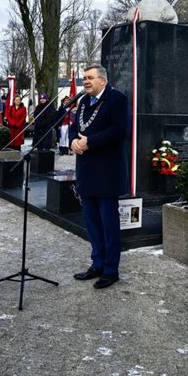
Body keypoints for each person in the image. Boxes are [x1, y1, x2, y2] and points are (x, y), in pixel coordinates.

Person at [70, 64, 129, 289]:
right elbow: (76, 126)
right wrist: (75, 140)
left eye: (90, 78)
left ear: (102, 80)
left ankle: (111, 270)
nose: (86, 81)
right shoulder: (84, 101)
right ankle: (97, 263)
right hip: (86, 170)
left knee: (108, 223)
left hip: (107, 172)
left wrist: (90, 142)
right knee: (92, 223)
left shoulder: (117, 99)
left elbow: (119, 130)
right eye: (84, 78)